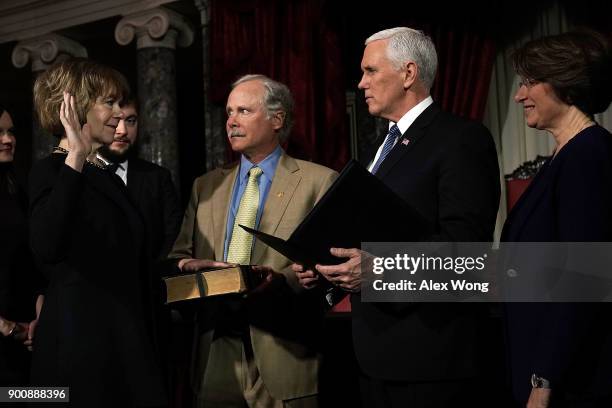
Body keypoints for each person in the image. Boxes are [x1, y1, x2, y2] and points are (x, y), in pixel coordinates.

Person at [294, 27, 500, 407]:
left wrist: (381, 271)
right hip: (374, 355)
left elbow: (467, 250)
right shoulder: (379, 148)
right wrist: (325, 267)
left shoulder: (461, 139)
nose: (361, 83)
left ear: (408, 74)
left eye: (371, 71)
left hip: (432, 358)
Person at [168, 74, 337, 407]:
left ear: (277, 119)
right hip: (216, 349)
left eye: (243, 111)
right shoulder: (205, 187)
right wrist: (190, 264)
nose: (231, 121)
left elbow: (329, 267)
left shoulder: (319, 181)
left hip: (285, 352)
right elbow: (179, 256)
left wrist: (284, 280)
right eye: (229, 112)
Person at [29, 59, 167, 407]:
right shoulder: (51, 171)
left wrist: (184, 265)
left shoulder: (103, 173)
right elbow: (47, 245)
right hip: (80, 352)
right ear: (72, 105)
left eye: (120, 103)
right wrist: (75, 155)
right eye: (109, 102)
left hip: (123, 343)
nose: (119, 114)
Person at [502, 30, 612, 407]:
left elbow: (585, 278)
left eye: (531, 82)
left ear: (565, 84)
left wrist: (543, 380)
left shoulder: (587, 156)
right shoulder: (567, 156)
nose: (519, 95)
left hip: (570, 379)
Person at [97, 98, 181, 261]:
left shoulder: (158, 178)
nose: (122, 131)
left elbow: (174, 238)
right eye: (114, 120)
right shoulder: (77, 174)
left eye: (130, 121)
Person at [0, 104, 43, 385]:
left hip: (28, 338)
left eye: (11, 131)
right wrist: (6, 328)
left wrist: (39, 319)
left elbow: (36, 261)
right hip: (6, 336)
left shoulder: (19, 188)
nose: (7, 139)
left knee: (45, 396)